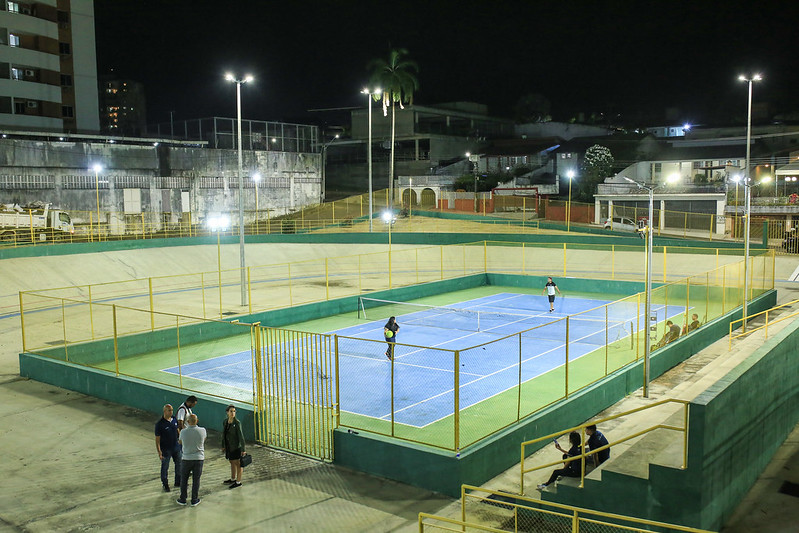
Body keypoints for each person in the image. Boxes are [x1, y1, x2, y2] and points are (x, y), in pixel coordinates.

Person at [177, 414, 206, 507]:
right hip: (199, 458)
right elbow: (203, 439)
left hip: (186, 458)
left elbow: (180, 442)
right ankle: (194, 499)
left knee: (184, 479)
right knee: (196, 480)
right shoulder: (202, 431)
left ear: (188, 422)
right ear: (197, 421)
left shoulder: (183, 432)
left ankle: (183, 499)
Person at [154, 404, 181, 492]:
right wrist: (159, 452)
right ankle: (165, 483)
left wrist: (180, 441)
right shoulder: (160, 424)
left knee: (179, 465)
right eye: (169, 410)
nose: (171, 412)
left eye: (172, 410)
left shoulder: (174, 419)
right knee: (165, 467)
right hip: (166, 449)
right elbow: (157, 440)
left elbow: (177, 431)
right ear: (165, 411)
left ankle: (178, 481)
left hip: (176, 448)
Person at [222, 405, 247, 489]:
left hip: (236, 446)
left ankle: (238, 481)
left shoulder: (237, 423)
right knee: (232, 462)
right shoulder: (225, 422)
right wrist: (223, 445)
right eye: (231, 411)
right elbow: (224, 434)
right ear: (227, 412)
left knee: (238, 464)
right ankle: (233, 478)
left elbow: (241, 436)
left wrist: (243, 449)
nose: (233, 413)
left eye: (234, 411)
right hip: (229, 446)